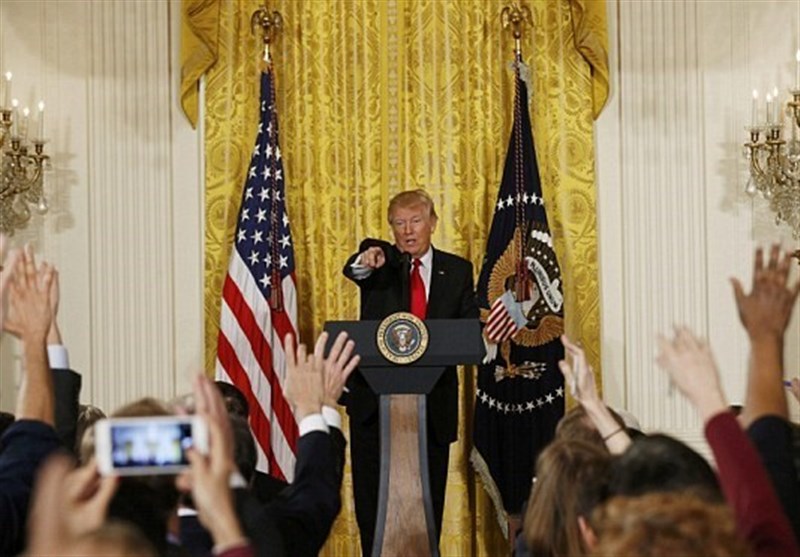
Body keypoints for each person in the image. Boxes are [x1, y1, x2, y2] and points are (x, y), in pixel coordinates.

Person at [342, 189, 478, 554]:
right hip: (374, 409)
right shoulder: (381, 262)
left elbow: (467, 330)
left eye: (416, 221)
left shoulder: (458, 271)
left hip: (431, 409)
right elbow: (357, 266)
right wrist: (367, 259)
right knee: (374, 509)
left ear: (432, 223)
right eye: (399, 223)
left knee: (427, 504)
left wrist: (486, 331)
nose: (408, 231)